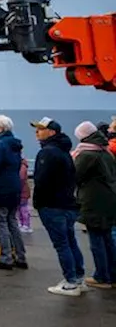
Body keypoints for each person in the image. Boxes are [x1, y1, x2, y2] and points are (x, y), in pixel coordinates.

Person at [26, 117, 83, 294]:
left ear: (51, 132)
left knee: (62, 244)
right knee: (70, 241)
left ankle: (71, 281)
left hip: (52, 205)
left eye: (41, 129)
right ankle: (78, 278)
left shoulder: (47, 153)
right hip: (67, 203)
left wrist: (38, 203)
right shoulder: (63, 151)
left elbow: (41, 181)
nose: (37, 132)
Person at [72, 121, 116, 290]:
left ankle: (102, 276)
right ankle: (112, 274)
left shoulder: (87, 154)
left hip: (94, 201)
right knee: (107, 239)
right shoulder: (104, 151)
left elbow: (75, 175)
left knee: (97, 239)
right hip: (108, 199)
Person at [0, 115, 27, 270]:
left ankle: (6, 257)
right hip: (13, 186)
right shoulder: (14, 144)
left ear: (0, 129)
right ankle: (20, 256)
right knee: (12, 222)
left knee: (0, 223)